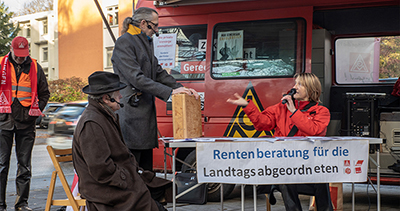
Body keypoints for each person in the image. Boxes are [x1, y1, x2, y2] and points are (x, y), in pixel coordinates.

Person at [227, 73, 333, 211]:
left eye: (300, 84)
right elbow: (262, 124)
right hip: (286, 164)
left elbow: (313, 130)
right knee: (285, 176)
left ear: (311, 89)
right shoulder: (281, 108)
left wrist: (294, 111)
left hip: (309, 165)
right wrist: (247, 106)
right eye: (295, 83)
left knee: (321, 179)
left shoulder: (321, 111)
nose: (294, 87)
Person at [112, 7, 199, 171]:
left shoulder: (145, 42)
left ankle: (148, 196)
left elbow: (158, 72)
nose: (157, 30)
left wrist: (182, 88)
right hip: (131, 114)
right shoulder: (125, 42)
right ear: (143, 23)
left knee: (146, 170)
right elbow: (136, 78)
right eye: (155, 26)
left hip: (143, 115)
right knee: (134, 170)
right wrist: (170, 92)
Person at [72, 71, 172, 211]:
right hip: (106, 189)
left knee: (166, 188)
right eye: (118, 93)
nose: (121, 96)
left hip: (120, 181)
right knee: (148, 202)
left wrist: (135, 175)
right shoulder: (92, 123)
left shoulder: (104, 115)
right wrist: (127, 179)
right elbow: (101, 169)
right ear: (107, 98)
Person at [0, 36, 50, 211]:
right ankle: (0, 204)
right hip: (3, 121)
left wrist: (35, 112)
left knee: (25, 166)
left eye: (24, 54)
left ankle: (22, 204)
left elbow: (45, 94)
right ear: (11, 49)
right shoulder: (0, 65)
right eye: (18, 54)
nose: (21, 57)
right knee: (1, 165)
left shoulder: (35, 67)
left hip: (26, 122)